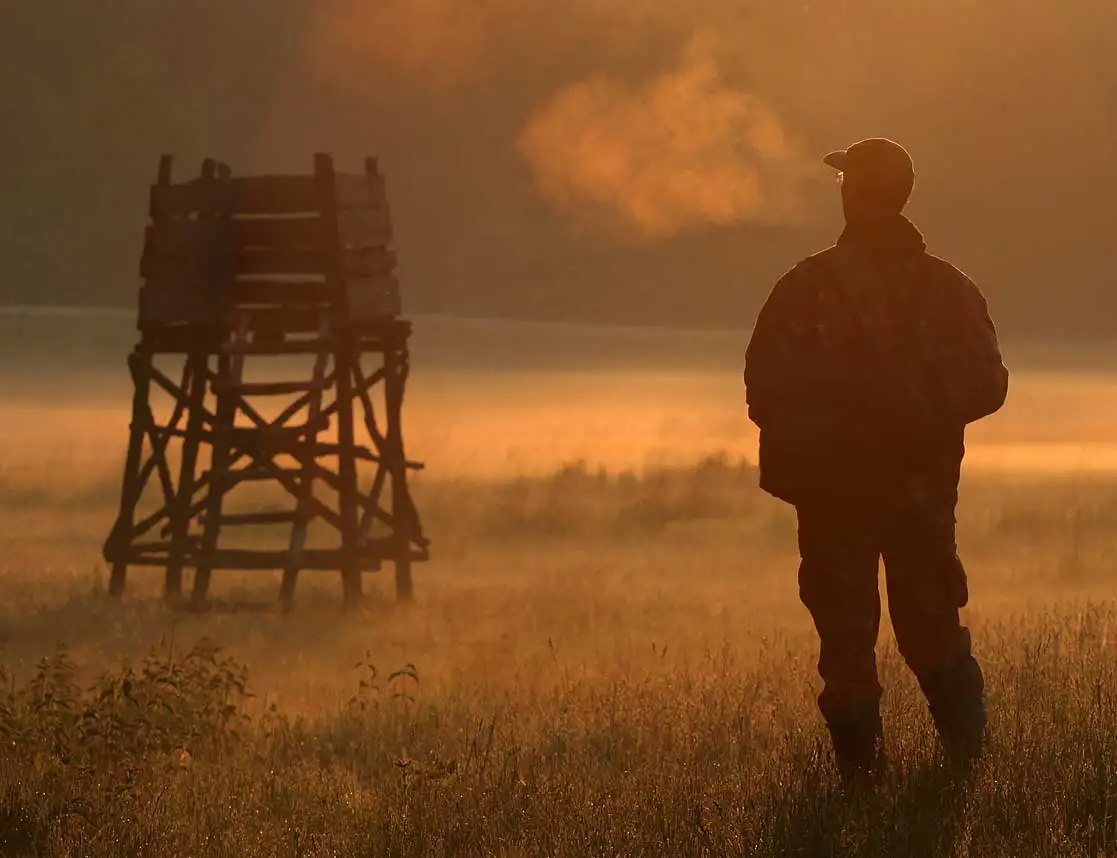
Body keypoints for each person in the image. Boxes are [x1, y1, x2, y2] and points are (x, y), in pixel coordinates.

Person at [742, 137, 1009, 786]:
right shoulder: (949, 289)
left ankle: (862, 794)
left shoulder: (806, 288)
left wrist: (834, 429)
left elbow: (763, 390)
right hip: (919, 495)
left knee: (847, 650)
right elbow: (989, 384)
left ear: (853, 194)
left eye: (846, 182)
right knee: (931, 632)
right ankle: (968, 781)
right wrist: (921, 416)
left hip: (836, 499)